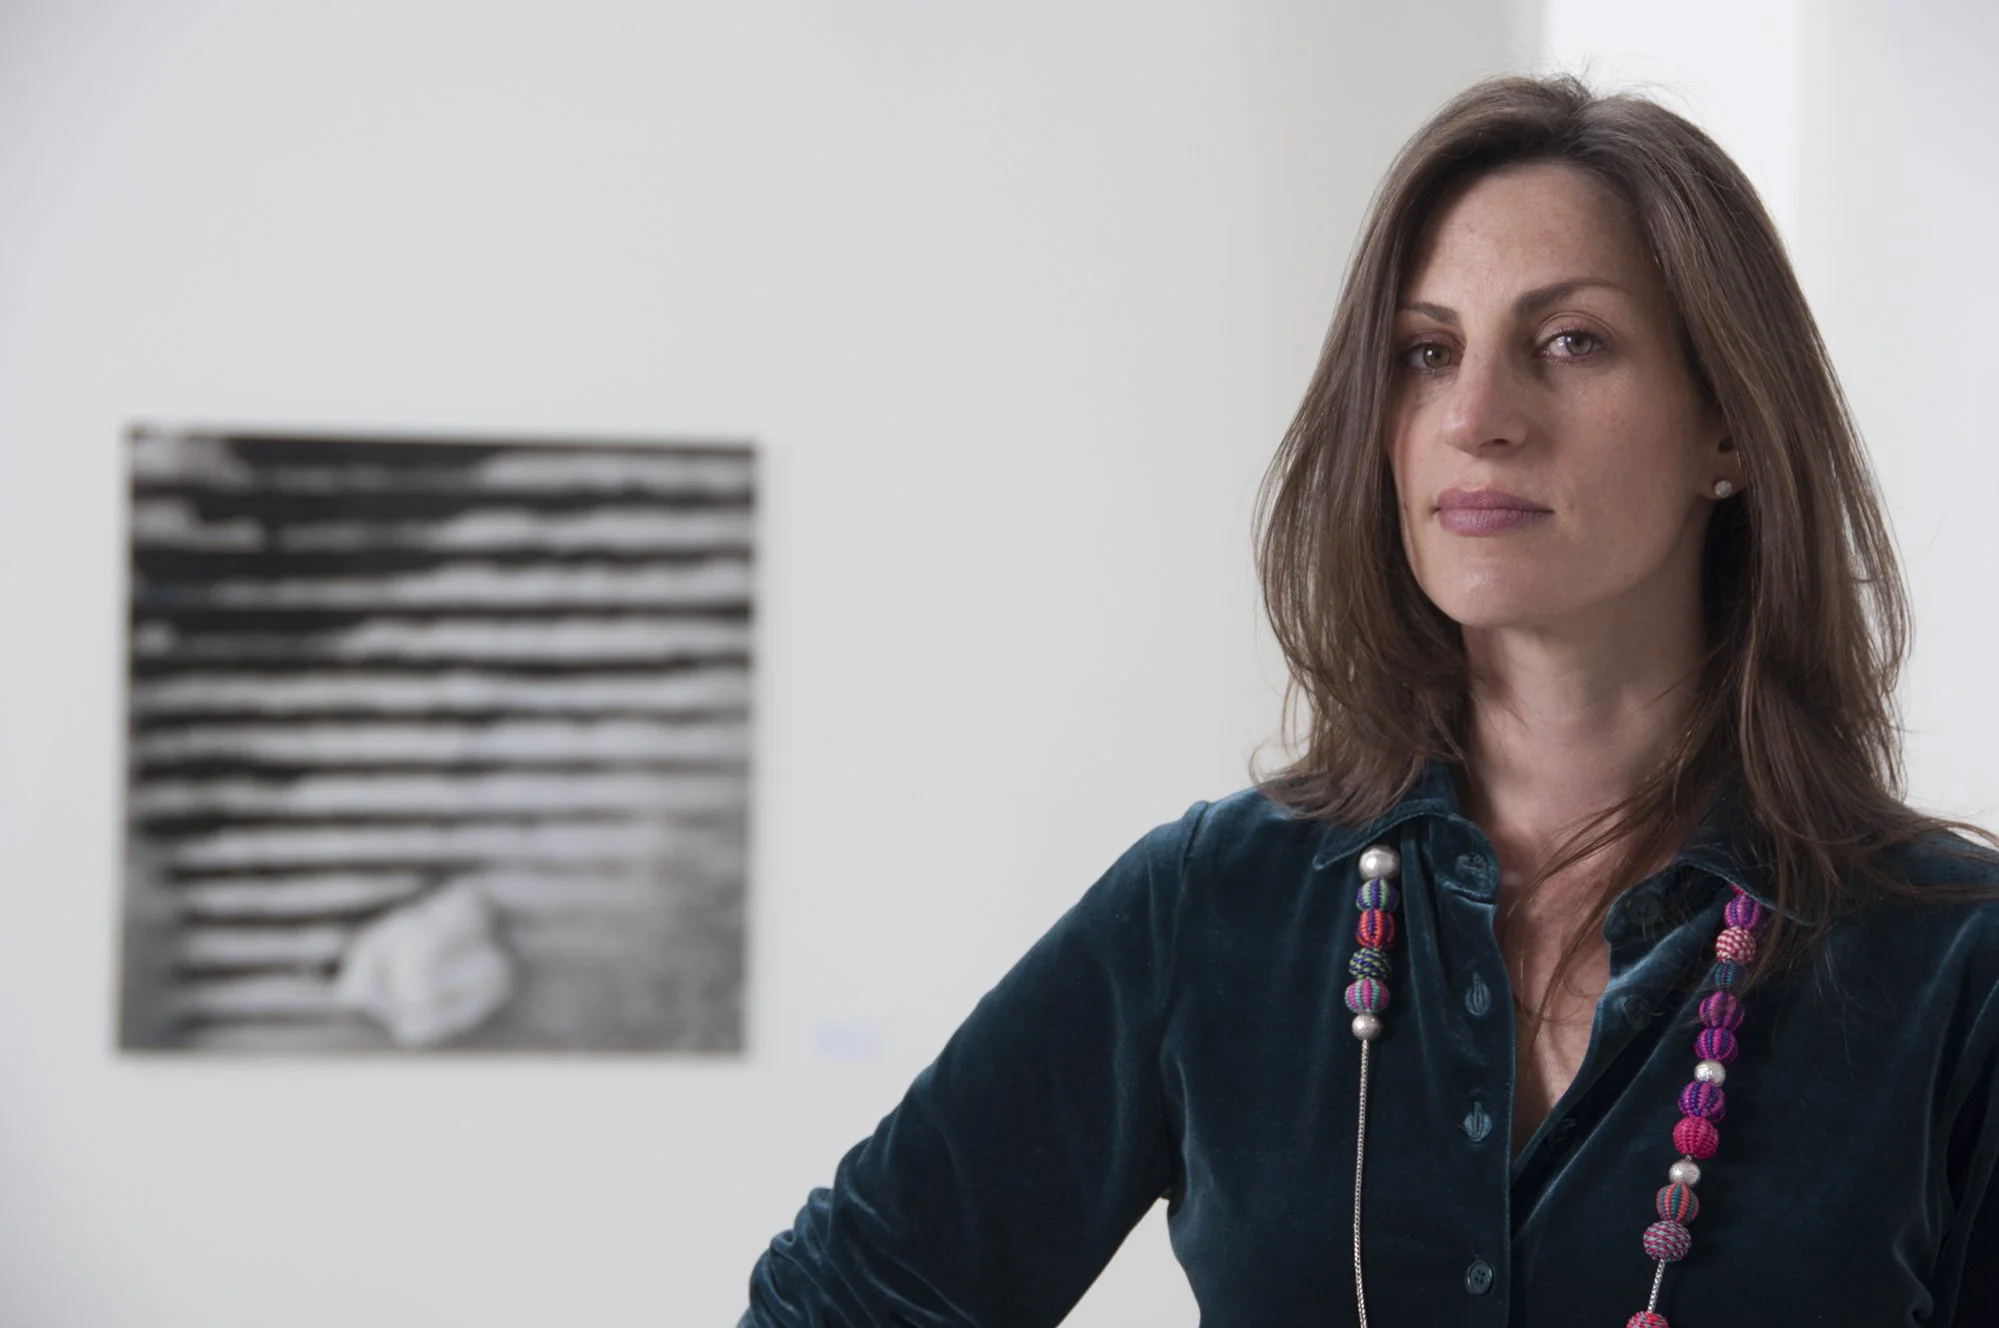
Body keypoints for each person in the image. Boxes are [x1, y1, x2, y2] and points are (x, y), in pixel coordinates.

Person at [739, 74, 1999, 1327]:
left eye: (1570, 341)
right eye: (1425, 352)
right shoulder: (1212, 907)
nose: (1476, 415)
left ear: (1726, 427)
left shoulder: (1952, 962)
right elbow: (841, 1301)